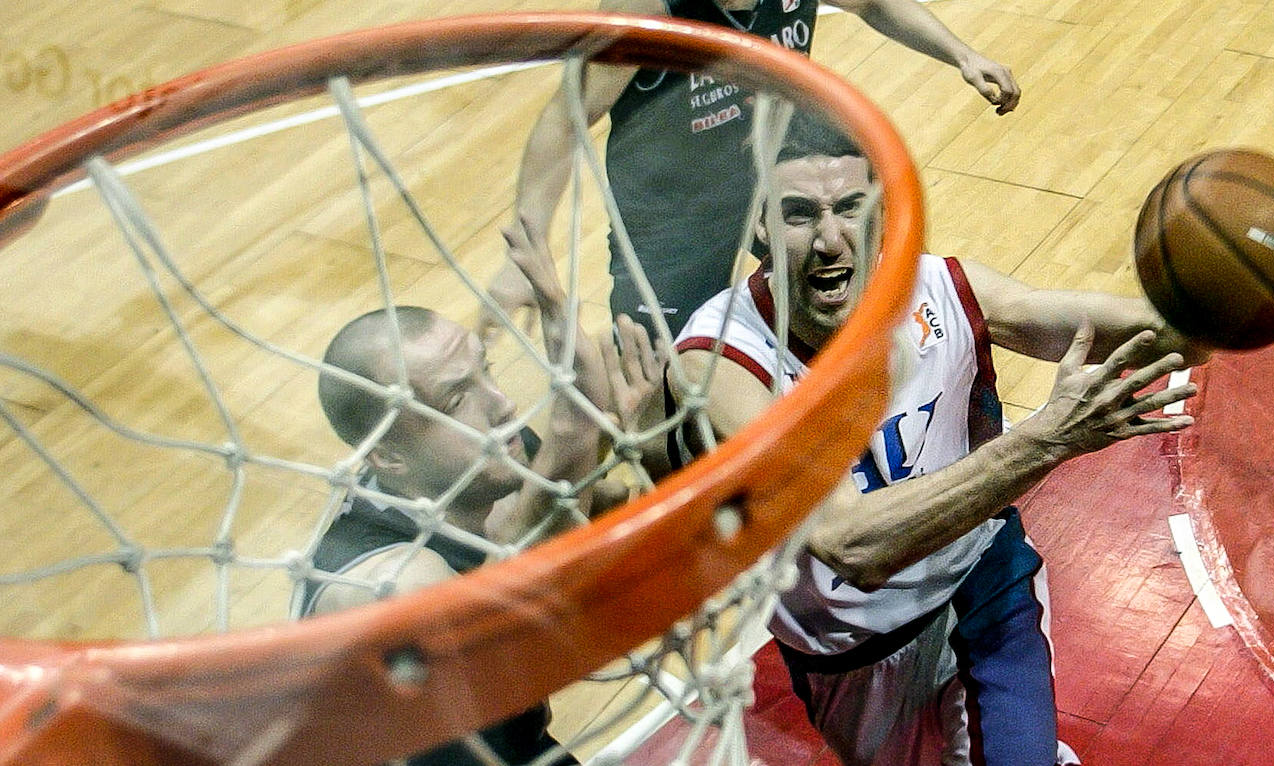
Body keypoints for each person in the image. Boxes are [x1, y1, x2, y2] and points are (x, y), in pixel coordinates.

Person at [668, 115, 1209, 765]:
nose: (830, 239)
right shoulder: (724, 360)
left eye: (849, 208)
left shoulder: (943, 291)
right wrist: (1044, 441)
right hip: (845, 653)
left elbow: (1156, 336)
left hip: (979, 588)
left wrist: (1250, 287)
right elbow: (850, 543)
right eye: (798, 214)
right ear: (756, 226)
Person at [306, 222, 664, 765]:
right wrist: (576, 433)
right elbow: (557, 633)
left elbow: (599, 495)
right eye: (455, 400)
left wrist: (643, 444)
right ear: (388, 455)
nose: (500, 405)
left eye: (485, 371)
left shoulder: (484, 473)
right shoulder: (391, 585)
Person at [482, 0, 1021, 341]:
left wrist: (961, 54)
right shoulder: (647, 7)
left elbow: (874, 3)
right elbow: (564, 118)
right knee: (659, 376)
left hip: (770, 183)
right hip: (671, 214)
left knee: (846, 300)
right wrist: (521, 252)